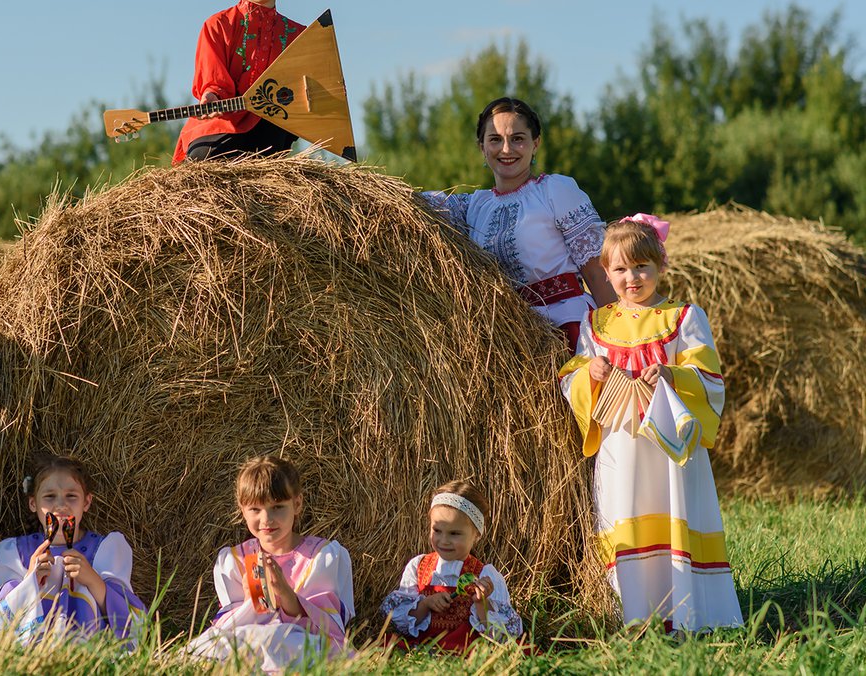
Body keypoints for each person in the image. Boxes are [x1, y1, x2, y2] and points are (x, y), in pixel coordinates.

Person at [557, 216, 743, 632]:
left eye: (642, 267)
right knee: (624, 511)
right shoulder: (597, 323)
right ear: (605, 273)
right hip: (619, 444)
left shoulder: (684, 317)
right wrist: (593, 372)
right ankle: (632, 615)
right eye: (620, 270)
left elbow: (710, 380)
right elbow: (572, 375)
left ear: (662, 265)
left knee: (672, 511)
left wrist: (672, 374)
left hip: (668, 447)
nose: (632, 278)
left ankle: (691, 615)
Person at [424, 97, 617, 348]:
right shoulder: (474, 206)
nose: (506, 149)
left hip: (570, 327)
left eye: (517, 138)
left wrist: (620, 338)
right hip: (510, 337)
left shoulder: (555, 190)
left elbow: (596, 271)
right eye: (495, 139)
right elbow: (412, 202)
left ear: (535, 144)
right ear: (481, 147)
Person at [187, 455, 354, 671]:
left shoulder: (322, 557)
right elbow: (231, 625)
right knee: (213, 644)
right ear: (242, 509)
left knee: (276, 640)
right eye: (255, 509)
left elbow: (329, 626)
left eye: (277, 507)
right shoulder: (235, 560)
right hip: (249, 637)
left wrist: (286, 594)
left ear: (297, 504)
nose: (266, 519)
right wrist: (251, 600)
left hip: (297, 639)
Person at [172, 0, 304, 164]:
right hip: (223, 123)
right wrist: (211, 96)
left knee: (275, 132)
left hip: (269, 130)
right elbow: (213, 81)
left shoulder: (300, 36)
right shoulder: (217, 26)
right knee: (204, 160)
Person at [0, 454, 145, 644]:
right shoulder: (16, 553)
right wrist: (29, 579)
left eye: (71, 496)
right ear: (33, 503)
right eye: (50, 497)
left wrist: (92, 580)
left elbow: (130, 620)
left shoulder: (105, 550)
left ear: (86, 502)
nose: (61, 505)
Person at [379, 483, 524, 651]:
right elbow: (399, 623)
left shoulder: (485, 575)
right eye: (437, 530)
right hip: (421, 647)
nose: (444, 540)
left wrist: (481, 603)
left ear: (476, 535)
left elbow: (503, 636)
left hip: (466, 649)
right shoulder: (418, 566)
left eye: (454, 533)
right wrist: (425, 604)